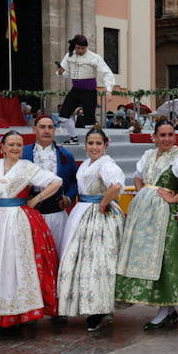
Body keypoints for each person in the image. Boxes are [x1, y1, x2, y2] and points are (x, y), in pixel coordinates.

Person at [114, 121, 178, 329]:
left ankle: (166, 311)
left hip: (166, 217)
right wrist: (143, 192)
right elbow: (138, 177)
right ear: (154, 137)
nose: (166, 139)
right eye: (162, 135)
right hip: (145, 216)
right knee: (152, 260)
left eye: (170, 135)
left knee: (165, 261)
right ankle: (168, 311)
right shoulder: (148, 155)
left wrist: (174, 199)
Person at [0, 131, 63, 327]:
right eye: (11, 144)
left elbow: (56, 181)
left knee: (16, 263)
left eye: (19, 145)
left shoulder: (27, 167)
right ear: (2, 146)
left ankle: (20, 310)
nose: (15, 148)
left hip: (18, 220)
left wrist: (36, 199)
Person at [56, 128, 125, 331]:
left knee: (99, 263)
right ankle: (91, 304)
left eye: (98, 143)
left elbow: (117, 185)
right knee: (82, 261)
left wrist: (104, 203)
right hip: (83, 212)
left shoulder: (107, 164)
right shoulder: (87, 163)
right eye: (90, 143)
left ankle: (100, 309)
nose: (94, 147)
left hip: (99, 217)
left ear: (105, 145)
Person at [23, 113, 79, 261]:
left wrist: (68, 197)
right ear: (34, 129)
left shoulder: (66, 155)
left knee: (57, 254)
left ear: (55, 130)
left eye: (50, 127)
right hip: (30, 213)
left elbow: (75, 181)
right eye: (42, 127)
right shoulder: (23, 153)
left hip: (57, 214)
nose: (46, 131)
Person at [55, 34, 116, 141]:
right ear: (75, 46)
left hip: (89, 92)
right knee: (63, 116)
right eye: (78, 48)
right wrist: (61, 71)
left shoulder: (94, 57)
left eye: (83, 48)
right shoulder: (69, 56)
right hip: (75, 90)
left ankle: (98, 140)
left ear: (86, 47)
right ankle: (73, 137)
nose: (80, 50)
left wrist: (109, 90)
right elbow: (66, 74)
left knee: (89, 122)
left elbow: (106, 73)